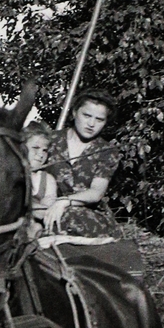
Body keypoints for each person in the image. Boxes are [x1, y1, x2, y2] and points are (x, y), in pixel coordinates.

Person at [44, 89, 121, 236]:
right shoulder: (51, 140)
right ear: (74, 113)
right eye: (86, 115)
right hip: (46, 206)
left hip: (86, 215)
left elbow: (96, 193)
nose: (91, 124)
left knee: (69, 218)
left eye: (99, 120)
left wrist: (64, 202)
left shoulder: (106, 151)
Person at [24, 123, 58, 227]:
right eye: (35, 147)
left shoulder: (47, 179)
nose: (40, 154)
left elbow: (45, 212)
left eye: (45, 150)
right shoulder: (11, 174)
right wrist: (35, 206)